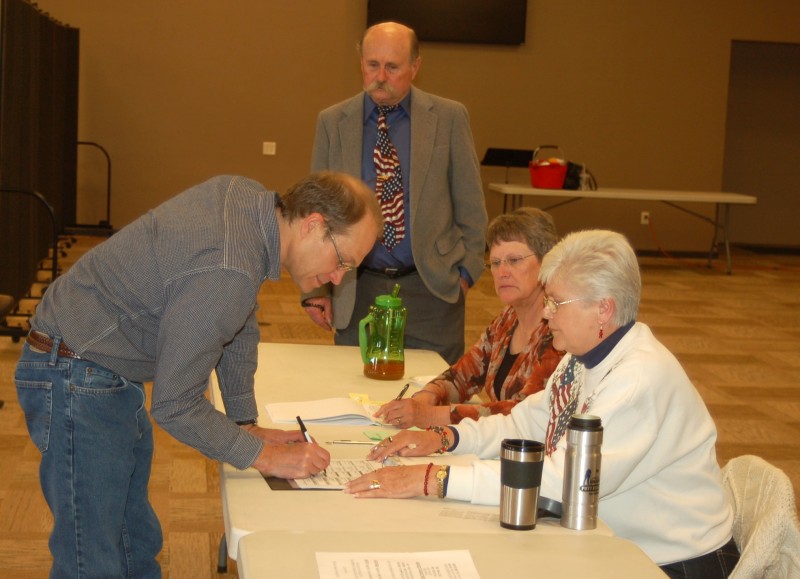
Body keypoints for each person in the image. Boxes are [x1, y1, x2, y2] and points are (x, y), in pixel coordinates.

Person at [14, 172, 382, 578]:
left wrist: (245, 424)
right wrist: (265, 457)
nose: (338, 278)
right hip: (75, 374)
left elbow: (238, 317)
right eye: (342, 261)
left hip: (99, 365)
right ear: (314, 224)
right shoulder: (230, 264)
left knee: (134, 540)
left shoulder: (248, 203)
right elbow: (175, 405)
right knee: (92, 556)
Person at [346, 230, 739, 577]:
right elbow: (522, 425)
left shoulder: (637, 379)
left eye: (558, 303)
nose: (547, 315)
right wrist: (444, 438)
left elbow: (561, 484)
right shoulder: (583, 356)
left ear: (603, 308)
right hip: (613, 541)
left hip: (672, 562)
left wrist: (435, 479)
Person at [302, 21, 488, 365]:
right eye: (372, 65)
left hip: (432, 290)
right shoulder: (333, 122)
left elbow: (471, 206)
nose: (380, 76)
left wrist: (465, 274)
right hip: (356, 289)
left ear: (415, 67)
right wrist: (315, 290)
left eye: (392, 66)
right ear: (361, 63)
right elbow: (316, 214)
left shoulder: (448, 118)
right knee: (356, 397)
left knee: (431, 395)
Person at [374, 207, 563, 429]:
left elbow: (521, 414)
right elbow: (461, 376)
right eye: (495, 262)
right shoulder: (507, 320)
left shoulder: (558, 329)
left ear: (547, 263)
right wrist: (426, 397)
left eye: (514, 260)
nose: (502, 272)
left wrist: (430, 415)